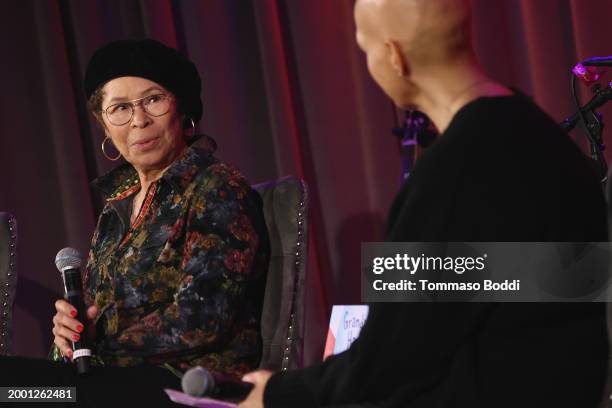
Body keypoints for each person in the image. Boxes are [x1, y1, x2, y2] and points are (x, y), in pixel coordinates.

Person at [239, 0, 609, 407]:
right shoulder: (548, 141)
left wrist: (275, 394)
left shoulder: (453, 172)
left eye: (367, 50)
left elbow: (389, 362)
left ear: (394, 56)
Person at [0, 39, 269, 406]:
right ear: (105, 126)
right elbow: (94, 318)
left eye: (153, 100)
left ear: (183, 109)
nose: (139, 120)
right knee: (14, 389)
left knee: (22, 393)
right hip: (111, 380)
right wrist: (70, 339)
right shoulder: (116, 210)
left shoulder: (216, 187)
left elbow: (203, 319)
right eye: (121, 108)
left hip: (186, 384)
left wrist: (98, 341)